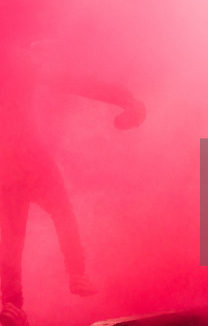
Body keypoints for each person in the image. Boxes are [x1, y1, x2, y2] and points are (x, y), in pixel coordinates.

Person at [0, 39, 146, 326]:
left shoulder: (14, 61)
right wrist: (125, 97)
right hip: (29, 156)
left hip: (6, 164)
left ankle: (10, 303)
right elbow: (78, 83)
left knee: (14, 234)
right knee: (60, 211)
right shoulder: (23, 63)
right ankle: (75, 273)